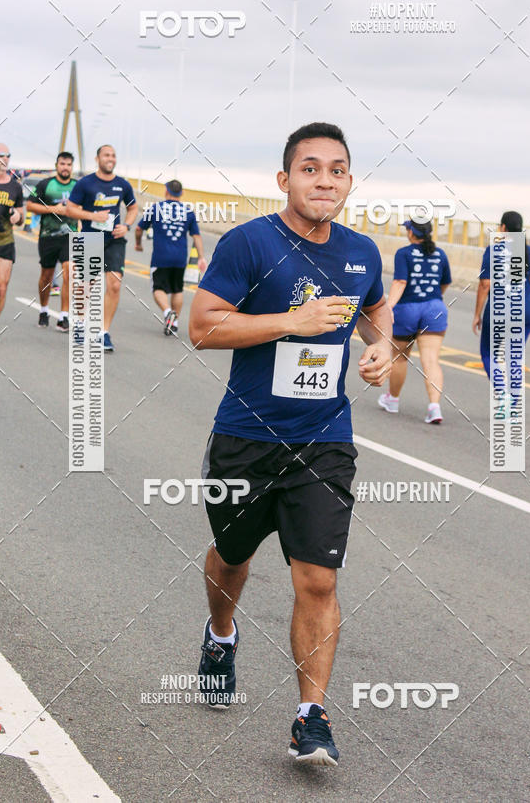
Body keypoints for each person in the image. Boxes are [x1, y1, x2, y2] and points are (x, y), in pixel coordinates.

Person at [189, 122, 392, 766]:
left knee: (319, 580)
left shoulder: (362, 252)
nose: (324, 180)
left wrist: (382, 348)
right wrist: (291, 321)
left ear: (349, 182)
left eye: (337, 169)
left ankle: (311, 716)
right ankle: (220, 635)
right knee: (231, 557)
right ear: (285, 179)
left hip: (323, 439)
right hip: (247, 435)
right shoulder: (249, 243)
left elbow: (374, 312)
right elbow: (203, 327)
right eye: (310, 169)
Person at [378, 220, 452, 424]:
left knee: (400, 357)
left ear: (411, 232)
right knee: (431, 360)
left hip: (407, 308)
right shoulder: (440, 253)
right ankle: (434, 407)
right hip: (435, 309)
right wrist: (434, 298)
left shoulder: (404, 253)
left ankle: (392, 400)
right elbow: (445, 283)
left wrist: (389, 306)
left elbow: (400, 281)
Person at [66, 145, 137, 352]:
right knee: (87, 285)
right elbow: (70, 209)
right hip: (90, 238)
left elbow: (132, 208)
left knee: (114, 285)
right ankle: (80, 322)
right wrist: (92, 216)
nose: (111, 158)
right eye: (107, 155)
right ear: (97, 159)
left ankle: (102, 333)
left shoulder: (122, 184)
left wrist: (127, 226)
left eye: (113, 155)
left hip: (114, 239)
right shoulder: (86, 183)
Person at [473, 210, 530, 378]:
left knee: (489, 354)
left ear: (503, 227)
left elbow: (485, 285)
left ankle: (501, 391)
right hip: (525, 311)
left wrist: (477, 315)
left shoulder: (493, 250)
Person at [135, 179, 206, 335]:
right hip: (180, 258)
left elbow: (139, 229)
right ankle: (174, 323)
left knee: (158, 288)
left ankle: (168, 313)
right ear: (181, 193)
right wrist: (201, 257)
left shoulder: (156, 208)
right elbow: (197, 236)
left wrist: (138, 244)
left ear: (166, 191)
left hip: (161, 257)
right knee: (177, 289)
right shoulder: (188, 212)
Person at [25, 151, 78, 331]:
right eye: (62, 164)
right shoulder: (45, 184)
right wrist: (52, 208)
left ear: (72, 167)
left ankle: (64, 316)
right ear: (57, 165)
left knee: (69, 270)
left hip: (70, 236)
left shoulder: (77, 186)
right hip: (48, 236)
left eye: (69, 164)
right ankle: (44, 309)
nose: (65, 167)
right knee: (46, 276)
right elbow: (30, 206)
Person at [0, 144, 24, 338]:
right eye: (1, 155)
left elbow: (21, 216)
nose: (5, 159)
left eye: (8, 155)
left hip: (5, 241)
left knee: (1, 286)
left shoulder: (15, 186)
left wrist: (17, 215)